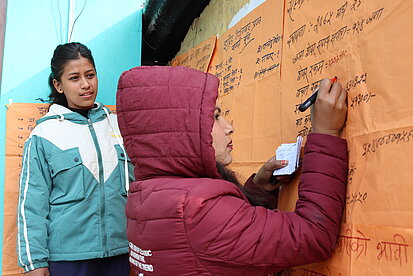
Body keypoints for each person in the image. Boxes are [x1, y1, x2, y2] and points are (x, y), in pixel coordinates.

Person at [116, 66, 348, 275]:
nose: (230, 127)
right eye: (216, 117)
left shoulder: (148, 193)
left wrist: (258, 189)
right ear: (178, 129)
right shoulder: (196, 210)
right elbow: (313, 235)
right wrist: (325, 133)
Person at [17, 42, 134, 276]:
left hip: (121, 254)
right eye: (74, 78)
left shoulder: (119, 126)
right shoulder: (44, 135)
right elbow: (31, 206)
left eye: (90, 75)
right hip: (68, 259)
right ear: (58, 85)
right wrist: (34, 263)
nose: (85, 84)